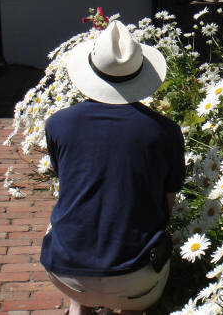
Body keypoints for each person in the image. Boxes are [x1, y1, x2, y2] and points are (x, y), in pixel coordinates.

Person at [40, 20, 185, 315]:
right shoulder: (165, 131)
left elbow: (67, 183)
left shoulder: (58, 124)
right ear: (140, 73)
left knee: (64, 219)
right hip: (137, 279)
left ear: (91, 71)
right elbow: (165, 208)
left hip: (67, 274)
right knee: (135, 275)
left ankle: (80, 306)